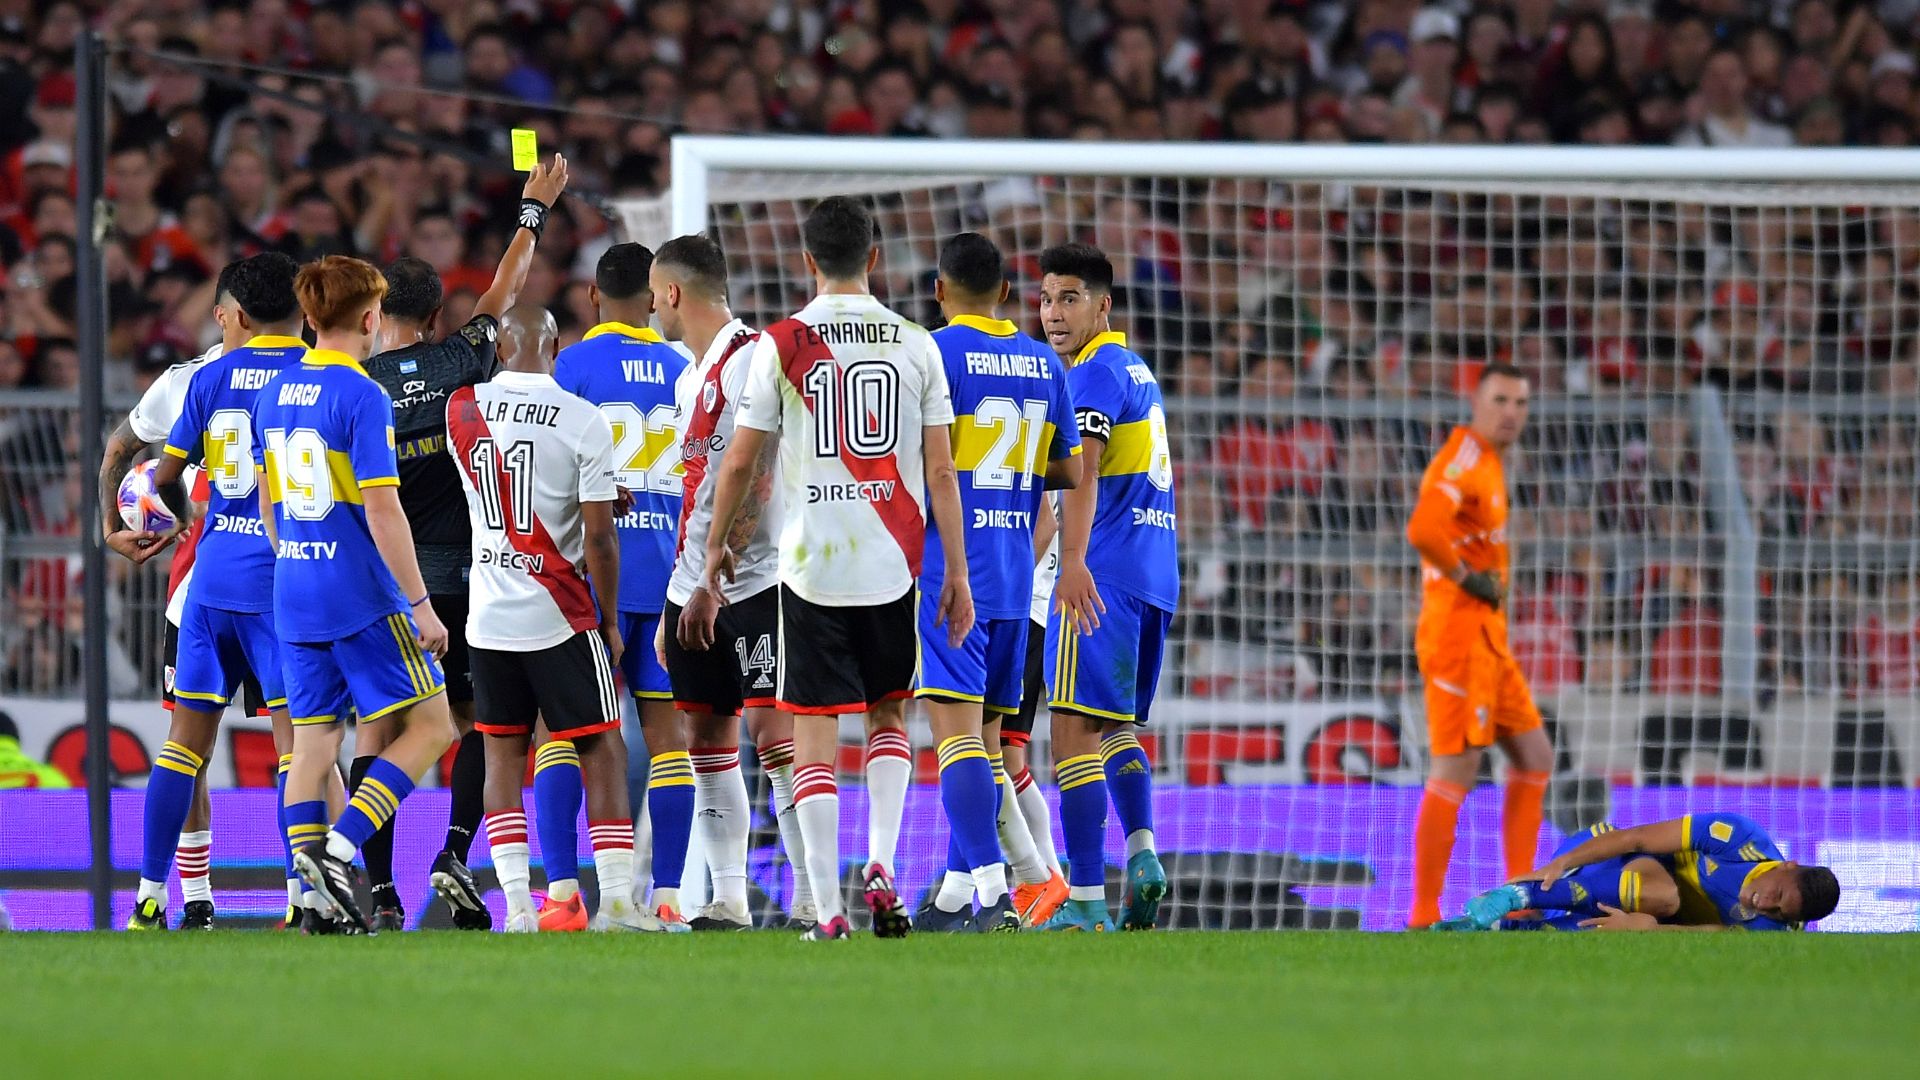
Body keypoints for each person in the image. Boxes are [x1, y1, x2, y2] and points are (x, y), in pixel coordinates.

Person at [702, 195, 973, 941]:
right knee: (889, 713)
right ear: (875, 258)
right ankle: (882, 860)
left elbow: (741, 463)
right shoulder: (918, 343)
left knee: (814, 727)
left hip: (809, 568)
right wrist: (956, 572)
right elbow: (942, 472)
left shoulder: (781, 342)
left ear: (808, 261)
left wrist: (716, 549)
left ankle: (826, 908)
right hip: (893, 561)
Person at [359, 154, 570, 932]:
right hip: (466, 582)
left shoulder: (362, 385)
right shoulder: (462, 356)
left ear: (378, 315)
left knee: (381, 729)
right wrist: (532, 210)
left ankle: (381, 893)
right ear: (436, 315)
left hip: (391, 585)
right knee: (480, 718)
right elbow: (504, 292)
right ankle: (453, 852)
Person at [254, 255, 459, 935]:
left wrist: (296, 557)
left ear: (311, 318)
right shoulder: (363, 394)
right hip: (359, 593)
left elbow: (269, 503)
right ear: (371, 317)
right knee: (433, 726)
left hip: (294, 588)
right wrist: (421, 604)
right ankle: (339, 854)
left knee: (312, 743)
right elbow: (383, 510)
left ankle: (313, 900)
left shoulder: (275, 392)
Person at [449, 304, 657, 934]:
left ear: (500, 350)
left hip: (489, 615)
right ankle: (616, 903)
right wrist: (611, 621)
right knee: (602, 746)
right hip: (560, 611)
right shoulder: (582, 418)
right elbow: (600, 539)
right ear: (556, 348)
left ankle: (518, 907)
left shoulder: (462, 409)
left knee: (503, 754)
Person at [129, 253, 306, 933]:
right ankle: (303, 897)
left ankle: (150, 897)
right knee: (299, 748)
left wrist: (163, 524)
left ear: (238, 312)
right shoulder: (317, 373)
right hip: (283, 585)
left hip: (210, 583)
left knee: (183, 747)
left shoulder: (207, 377)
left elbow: (158, 477)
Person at [914, 232, 1083, 933]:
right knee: (988, 747)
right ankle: (970, 891)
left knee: (956, 742)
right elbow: (1069, 472)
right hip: (1017, 578)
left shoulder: (932, 353)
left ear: (939, 292)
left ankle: (994, 892)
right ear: (1007, 293)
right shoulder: (1044, 361)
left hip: (951, 575)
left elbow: (920, 464)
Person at [650, 232, 817, 932]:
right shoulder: (690, 378)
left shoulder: (752, 359)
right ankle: (729, 900)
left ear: (672, 293)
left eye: (655, 297)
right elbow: (697, 495)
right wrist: (679, 593)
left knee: (777, 738)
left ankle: (812, 899)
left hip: (759, 583)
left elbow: (758, 475)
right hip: (695, 588)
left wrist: (713, 582)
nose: (653, 309)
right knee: (706, 737)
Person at [1035, 242, 1179, 933]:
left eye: (1070, 299)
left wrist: (1071, 561)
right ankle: (1143, 854)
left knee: (1069, 733)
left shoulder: (1091, 374)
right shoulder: (1135, 369)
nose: (1054, 314)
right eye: (1046, 299)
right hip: (1154, 575)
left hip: (1103, 575)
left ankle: (1087, 899)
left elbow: (1082, 472)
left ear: (1103, 306)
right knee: (1112, 725)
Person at [552, 242, 695, 929]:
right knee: (669, 738)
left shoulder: (570, 367)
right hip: (669, 580)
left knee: (562, 732)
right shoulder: (687, 368)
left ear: (593, 297)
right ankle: (668, 896)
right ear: (657, 296)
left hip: (590, 581)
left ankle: (562, 894)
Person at [1403, 362, 1554, 929]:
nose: (1511, 412)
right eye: (1500, 400)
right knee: (1455, 770)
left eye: (1520, 402)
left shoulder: (1490, 461)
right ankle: (1423, 914)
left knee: (1535, 757)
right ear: (1476, 401)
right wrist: (1467, 578)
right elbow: (1423, 529)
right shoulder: (1464, 456)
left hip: (1489, 640)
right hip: (1457, 638)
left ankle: (1521, 899)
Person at [1435, 812, 1842, 931]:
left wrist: (1644, 929)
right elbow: (1638, 838)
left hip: (1637, 908)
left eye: (1779, 912)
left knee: (1636, 926)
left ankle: (1497, 927)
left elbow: (1707, 935)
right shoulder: (1738, 838)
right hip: (1601, 861)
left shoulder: (1772, 931)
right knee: (1663, 898)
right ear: (1787, 865)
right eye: (1777, 894)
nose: (1765, 905)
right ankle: (1517, 895)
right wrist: (1559, 863)